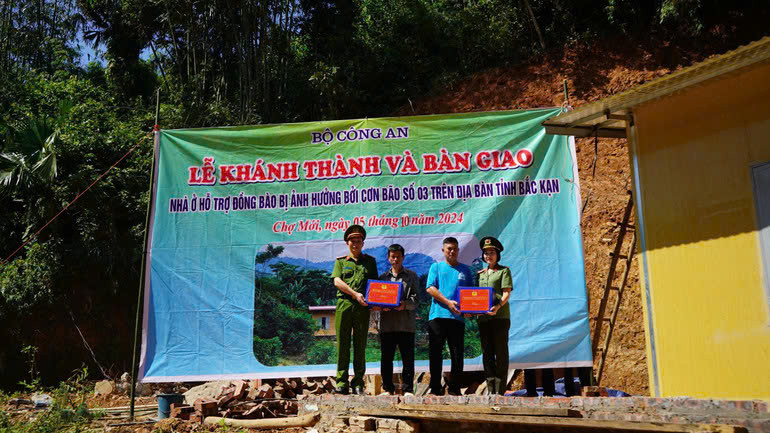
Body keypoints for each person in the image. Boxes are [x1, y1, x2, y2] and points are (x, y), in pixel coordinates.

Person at [331, 224, 377, 395]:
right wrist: (354, 294)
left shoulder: (370, 262)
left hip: (362, 308)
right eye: (352, 241)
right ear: (347, 243)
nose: (355, 244)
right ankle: (341, 382)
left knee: (360, 345)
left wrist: (373, 301)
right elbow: (337, 281)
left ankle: (358, 383)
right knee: (342, 344)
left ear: (363, 243)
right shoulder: (341, 262)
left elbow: (374, 285)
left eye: (358, 241)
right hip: (344, 305)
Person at [425, 237, 473, 395]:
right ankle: (435, 388)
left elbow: (472, 295)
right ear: (443, 251)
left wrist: (470, 311)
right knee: (435, 353)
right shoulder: (436, 267)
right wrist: (448, 302)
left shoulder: (465, 270)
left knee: (457, 354)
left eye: (454, 248)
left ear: (458, 250)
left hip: (457, 318)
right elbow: (430, 288)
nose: (452, 251)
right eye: (448, 249)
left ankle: (455, 388)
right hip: (437, 316)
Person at [376, 244, 419, 396]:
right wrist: (382, 306)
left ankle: (408, 389)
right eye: (392, 257)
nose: (395, 259)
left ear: (403, 258)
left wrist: (404, 304)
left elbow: (416, 300)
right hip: (387, 325)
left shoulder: (412, 276)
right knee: (386, 359)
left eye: (398, 257)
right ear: (388, 258)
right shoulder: (382, 278)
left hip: (406, 325)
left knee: (408, 359)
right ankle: (387, 389)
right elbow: (377, 300)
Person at [476, 236, 513, 395]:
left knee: (501, 352)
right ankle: (491, 389)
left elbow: (506, 293)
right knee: (487, 353)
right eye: (485, 253)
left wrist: (498, 306)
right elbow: (475, 296)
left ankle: (500, 389)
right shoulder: (480, 274)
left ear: (497, 254)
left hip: (500, 317)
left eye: (491, 252)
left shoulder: (504, 271)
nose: (488, 256)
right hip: (483, 319)